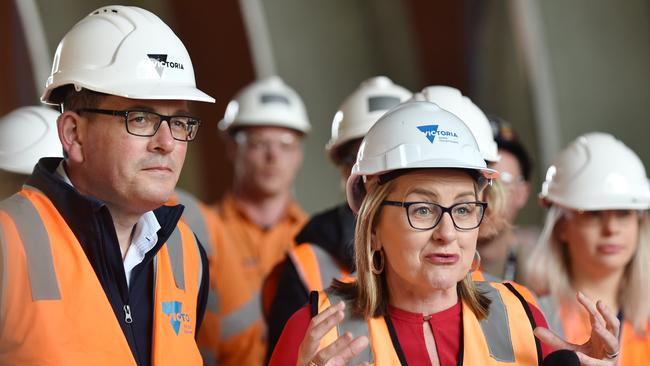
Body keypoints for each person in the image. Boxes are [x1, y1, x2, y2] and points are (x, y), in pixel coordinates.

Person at [270, 101, 620, 366]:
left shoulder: (518, 314)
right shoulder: (315, 333)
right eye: (422, 209)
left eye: (464, 208)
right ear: (373, 227)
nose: (447, 232)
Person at [0, 5, 215, 365]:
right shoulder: (8, 241)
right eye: (141, 117)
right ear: (74, 133)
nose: (167, 142)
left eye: (178, 122)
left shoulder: (185, 252)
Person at [264, 76, 411, 359]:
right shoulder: (307, 264)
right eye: (370, 159)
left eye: (396, 159)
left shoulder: (450, 246)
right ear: (348, 172)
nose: (386, 175)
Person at [199, 76, 310, 366]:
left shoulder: (316, 240)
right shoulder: (202, 233)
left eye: (285, 144)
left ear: (298, 155)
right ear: (233, 148)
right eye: (259, 143)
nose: (273, 156)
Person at [526, 132, 650, 365]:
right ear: (561, 226)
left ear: (639, 222)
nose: (611, 228)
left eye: (623, 213)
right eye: (593, 214)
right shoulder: (529, 317)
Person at [477, 116, 537, 282]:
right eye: (478, 180)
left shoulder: (541, 266)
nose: (487, 195)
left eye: (501, 182)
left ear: (522, 194)